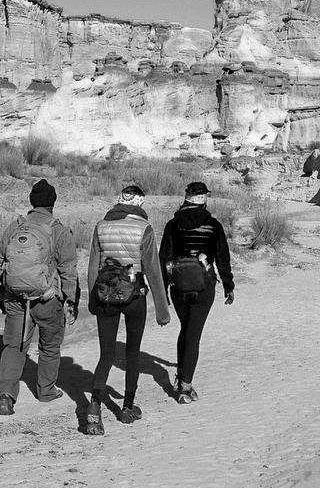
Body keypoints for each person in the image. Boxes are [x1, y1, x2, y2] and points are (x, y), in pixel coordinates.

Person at [85, 183, 170, 434]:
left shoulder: (101, 226)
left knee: (106, 355)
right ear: (140, 204)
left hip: (105, 295)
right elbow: (153, 271)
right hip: (135, 295)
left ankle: (94, 407)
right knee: (133, 352)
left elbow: (92, 266)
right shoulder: (144, 229)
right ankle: (128, 408)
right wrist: (163, 311)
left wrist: (92, 300)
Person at [0, 179, 80, 415]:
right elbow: (68, 270)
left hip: (14, 297)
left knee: (14, 345)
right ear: (53, 203)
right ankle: (46, 391)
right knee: (50, 345)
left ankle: (5, 395)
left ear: (31, 202)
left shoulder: (16, 226)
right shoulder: (59, 230)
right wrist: (71, 300)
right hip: (47, 299)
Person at [159, 181, 234, 404]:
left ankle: (181, 376)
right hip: (204, 286)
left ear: (186, 198)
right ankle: (185, 385)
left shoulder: (173, 225)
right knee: (194, 333)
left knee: (186, 329)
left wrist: (163, 291)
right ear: (204, 199)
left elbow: (164, 259)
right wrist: (228, 286)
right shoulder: (213, 225)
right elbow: (222, 258)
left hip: (178, 287)